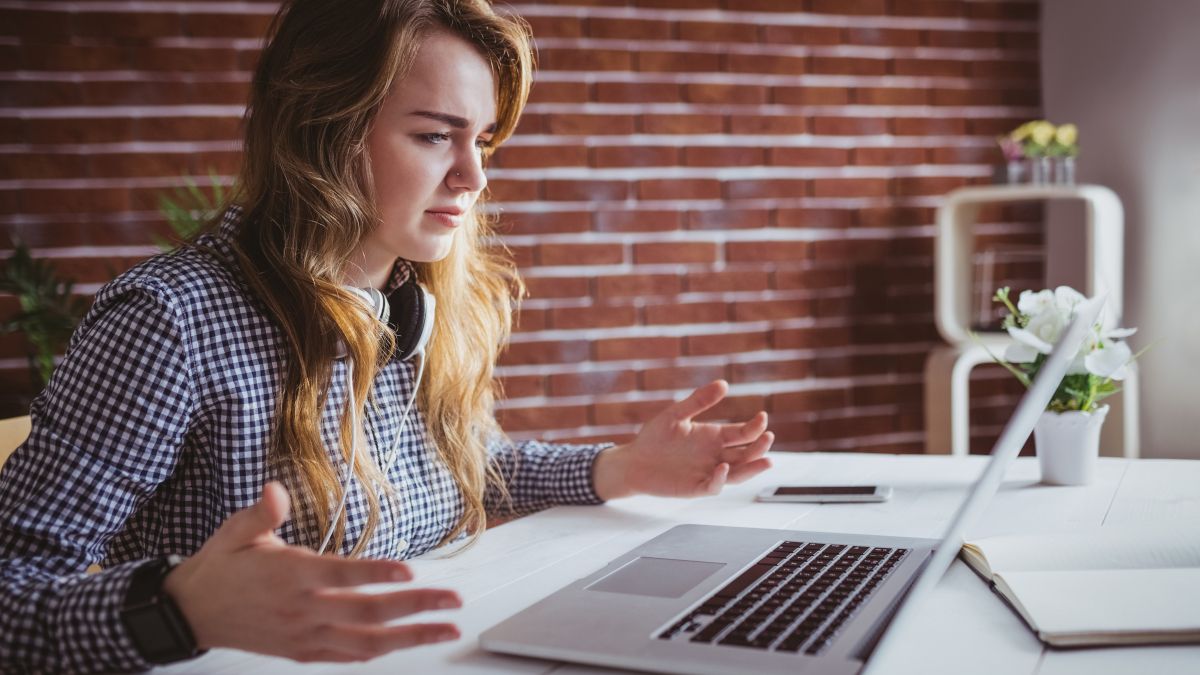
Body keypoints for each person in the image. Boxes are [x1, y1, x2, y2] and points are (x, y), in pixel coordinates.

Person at [0, 0, 774, 672]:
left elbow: (468, 464)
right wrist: (181, 606)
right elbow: (12, 594)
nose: (473, 177)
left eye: (483, 141)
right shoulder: (168, 322)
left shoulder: (406, 297)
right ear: (326, 134)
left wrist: (621, 467)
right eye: (437, 136)